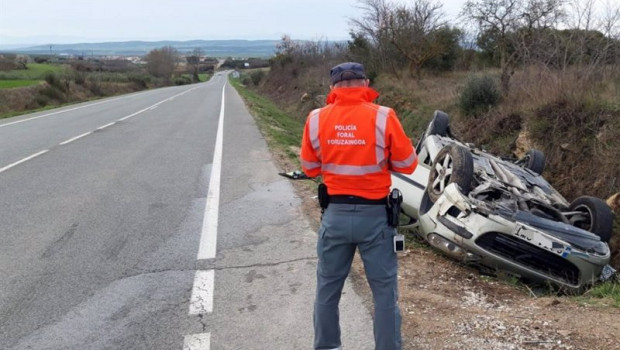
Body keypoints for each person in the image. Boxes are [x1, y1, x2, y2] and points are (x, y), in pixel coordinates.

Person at [300, 62, 418, 350]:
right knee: (384, 295)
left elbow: (309, 168)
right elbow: (409, 165)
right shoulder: (384, 116)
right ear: (366, 84)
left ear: (333, 88)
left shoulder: (315, 118)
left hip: (335, 217)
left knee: (328, 289)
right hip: (376, 218)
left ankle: (327, 346)